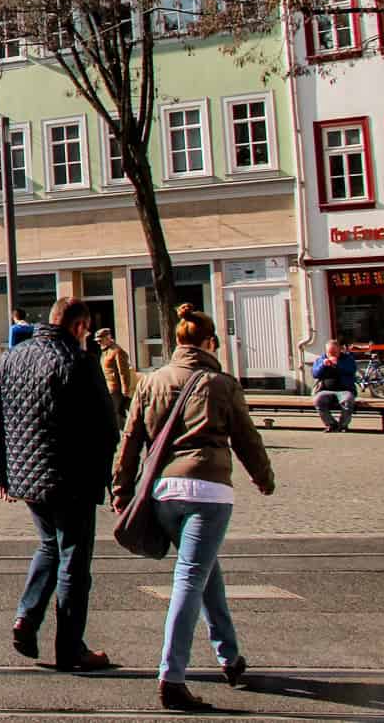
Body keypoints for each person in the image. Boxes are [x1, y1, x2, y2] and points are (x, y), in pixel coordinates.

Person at [113, 305, 275, 713]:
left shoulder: (150, 382)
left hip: (164, 493)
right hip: (209, 493)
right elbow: (247, 438)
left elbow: (130, 439)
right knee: (190, 578)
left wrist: (120, 488)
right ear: (209, 342)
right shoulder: (222, 383)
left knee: (204, 572)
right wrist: (263, 477)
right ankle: (172, 677)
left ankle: (230, 657)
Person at [0, 298, 119, 673]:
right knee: (74, 562)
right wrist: (111, 480)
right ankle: (70, 648)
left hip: (27, 478)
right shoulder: (79, 362)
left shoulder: (13, 358)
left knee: (49, 546)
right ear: (78, 327)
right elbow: (106, 429)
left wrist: (1, 473)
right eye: (86, 330)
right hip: (71, 478)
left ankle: (26, 618)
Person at [311, 340, 359, 432]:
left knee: (348, 400)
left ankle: (343, 425)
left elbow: (351, 370)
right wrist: (323, 365)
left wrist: (338, 364)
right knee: (318, 400)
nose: (332, 354)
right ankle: (331, 424)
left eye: (334, 352)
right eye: (330, 352)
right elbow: (315, 374)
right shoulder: (321, 359)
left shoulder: (347, 359)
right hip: (325, 390)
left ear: (339, 350)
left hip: (345, 389)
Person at [98, 329, 136, 426]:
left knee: (117, 414)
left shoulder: (117, 351)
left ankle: (125, 435)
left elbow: (123, 372)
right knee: (120, 412)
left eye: (100, 340)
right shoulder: (105, 351)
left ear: (108, 338)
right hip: (109, 387)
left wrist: (125, 389)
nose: (99, 343)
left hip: (116, 388)